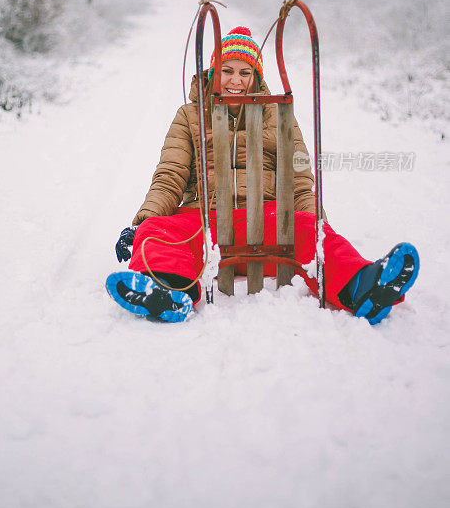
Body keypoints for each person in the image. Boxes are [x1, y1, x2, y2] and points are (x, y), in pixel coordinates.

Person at [106, 27, 419, 324]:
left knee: (308, 229)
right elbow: (170, 176)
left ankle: (363, 288)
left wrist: (320, 232)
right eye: (227, 70)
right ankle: (168, 289)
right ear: (213, 71)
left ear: (256, 77)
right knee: (158, 230)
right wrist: (142, 223)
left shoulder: (279, 114)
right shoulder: (189, 116)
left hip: (268, 226)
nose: (236, 81)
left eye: (245, 73)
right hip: (206, 223)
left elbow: (300, 183)